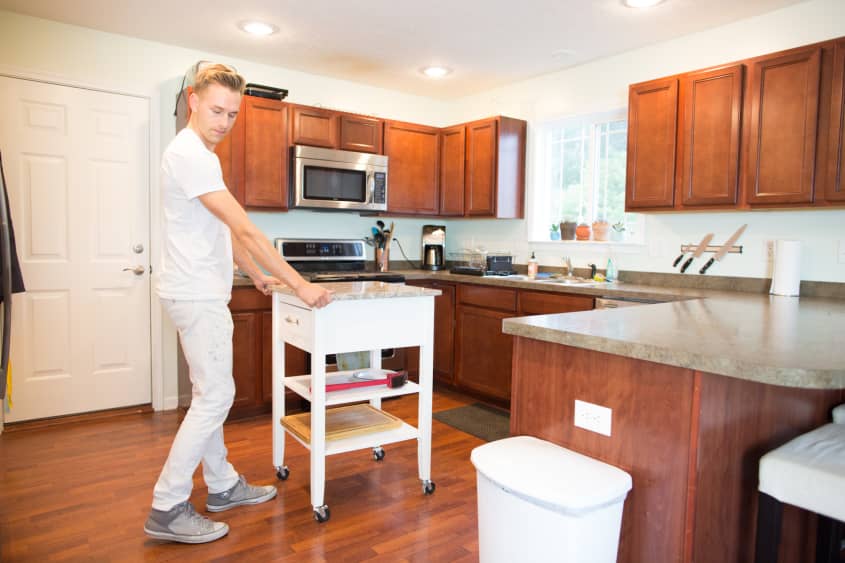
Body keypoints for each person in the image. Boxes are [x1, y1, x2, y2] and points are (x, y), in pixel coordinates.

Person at [144, 64, 332, 544]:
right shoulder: (191, 155)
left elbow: (222, 230)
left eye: (232, 114)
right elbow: (246, 228)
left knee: (208, 392)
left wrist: (255, 274)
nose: (224, 122)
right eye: (216, 110)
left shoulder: (200, 154)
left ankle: (223, 485)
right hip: (197, 293)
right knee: (215, 397)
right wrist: (299, 284)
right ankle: (167, 504)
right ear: (193, 100)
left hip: (194, 288)